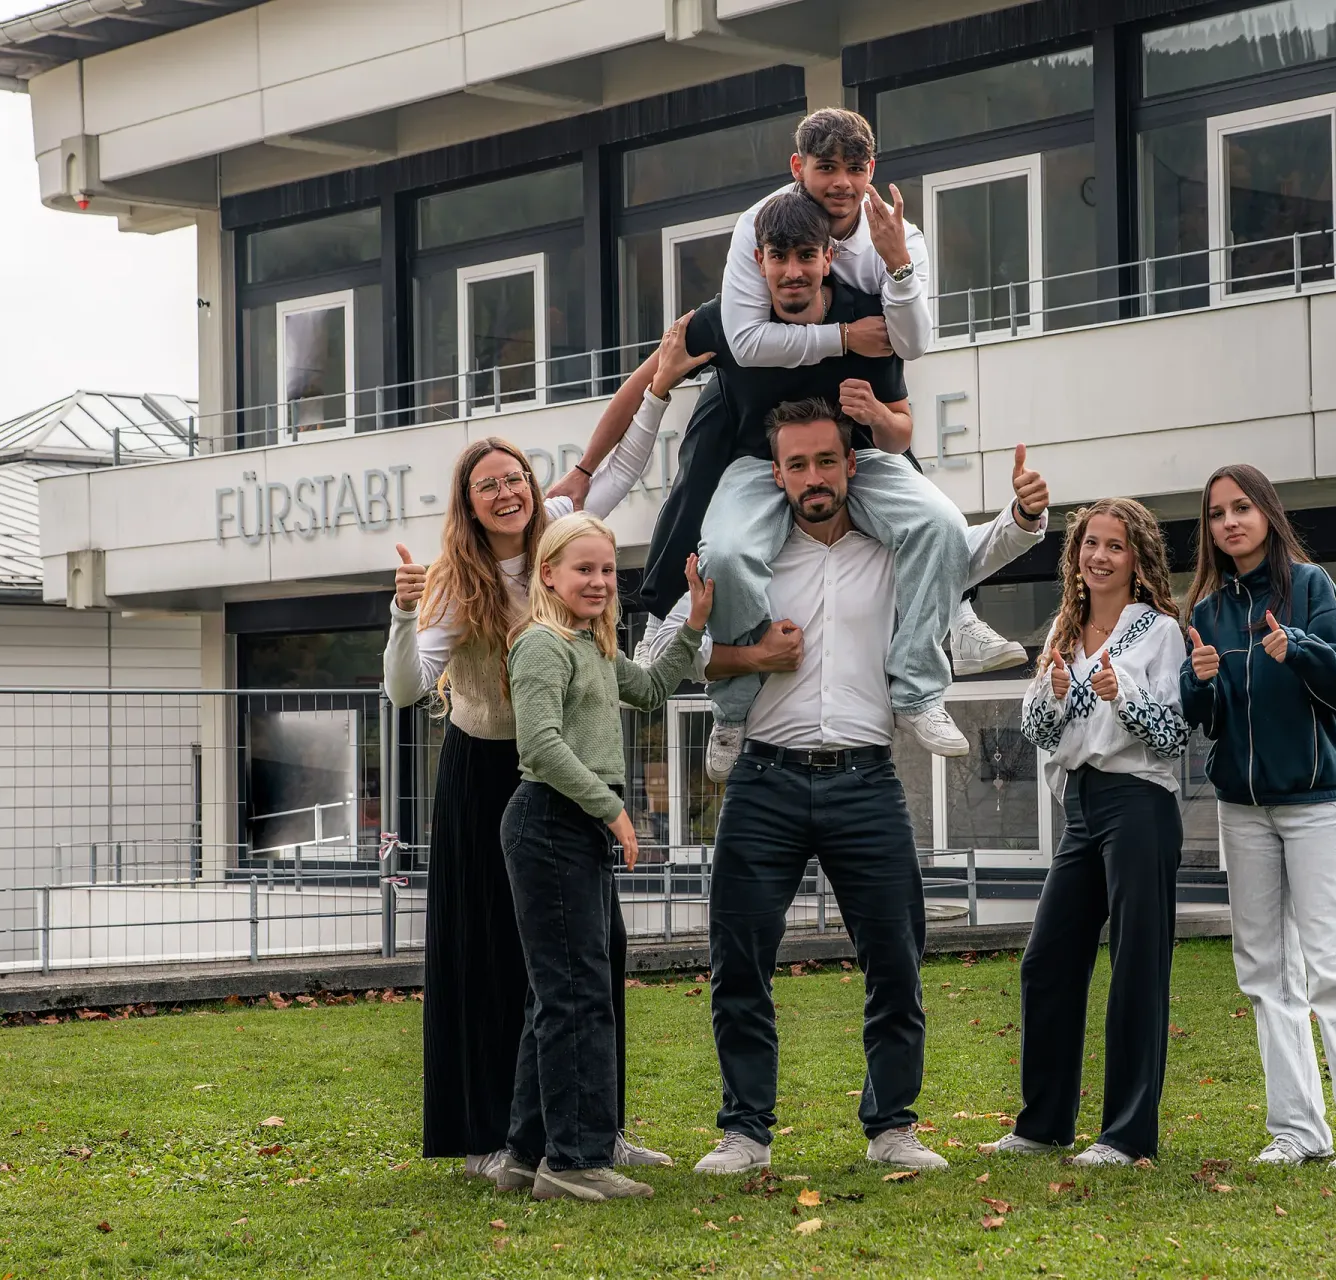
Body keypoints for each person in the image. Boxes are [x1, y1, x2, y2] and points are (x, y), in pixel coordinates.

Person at [642, 399, 1051, 1175]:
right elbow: (666, 648)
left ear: (850, 466)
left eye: (826, 461)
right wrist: (749, 657)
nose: (813, 477)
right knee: (738, 962)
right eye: (797, 465)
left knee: (895, 959)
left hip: (867, 779)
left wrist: (1024, 517)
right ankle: (745, 1133)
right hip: (763, 778)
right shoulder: (743, 562)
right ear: (777, 475)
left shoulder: (891, 550)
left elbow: (967, 554)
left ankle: (892, 1126)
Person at [383, 319, 710, 1188]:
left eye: (514, 479)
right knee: (502, 956)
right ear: (469, 501)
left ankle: (594, 1123)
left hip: (562, 768)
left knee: (587, 954)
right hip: (490, 772)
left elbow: (624, 467)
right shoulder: (457, 585)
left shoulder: (563, 536)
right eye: (487, 486)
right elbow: (412, 686)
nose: (506, 494)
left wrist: (663, 387)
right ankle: (499, 1134)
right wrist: (399, 615)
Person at [546, 106, 1025, 675]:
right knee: (700, 465)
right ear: (762, 260)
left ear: (829, 260)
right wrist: (584, 470)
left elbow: (910, 346)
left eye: (854, 168)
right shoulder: (754, 242)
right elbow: (681, 367)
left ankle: (959, 618)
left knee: (895, 457)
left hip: (828, 402)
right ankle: (659, 622)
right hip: (749, 401)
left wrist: (896, 272)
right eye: (826, 168)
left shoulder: (894, 243)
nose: (840, 183)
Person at [1178, 463, 1336, 1177]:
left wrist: (1299, 648)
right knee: (1264, 972)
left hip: (1316, 804)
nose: (1229, 523)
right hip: (1243, 810)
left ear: (1267, 514)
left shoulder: (1310, 588)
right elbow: (1206, 722)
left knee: (1333, 968)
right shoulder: (1210, 609)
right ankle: (1298, 1131)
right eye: (1217, 514)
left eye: (1241, 507)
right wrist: (1199, 683)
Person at [503, 518, 712, 1202]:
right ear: (549, 576)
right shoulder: (542, 645)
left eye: (605, 572)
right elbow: (539, 746)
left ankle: (527, 1153)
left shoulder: (591, 645)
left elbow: (650, 690)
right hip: (552, 823)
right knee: (577, 997)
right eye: (582, 569)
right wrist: (613, 808)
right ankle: (575, 1161)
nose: (596, 582)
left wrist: (692, 625)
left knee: (559, 993)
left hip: (573, 828)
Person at [998, 500, 1188, 1167]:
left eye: (1115, 546)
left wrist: (1120, 694)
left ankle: (1126, 1134)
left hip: (1139, 802)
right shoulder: (1065, 627)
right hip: (1081, 807)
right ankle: (1044, 1124)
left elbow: (1174, 733)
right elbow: (1039, 733)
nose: (1099, 556)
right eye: (1090, 544)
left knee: (1136, 967)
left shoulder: (1160, 632)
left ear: (1137, 559)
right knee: (1048, 961)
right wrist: (1053, 688)